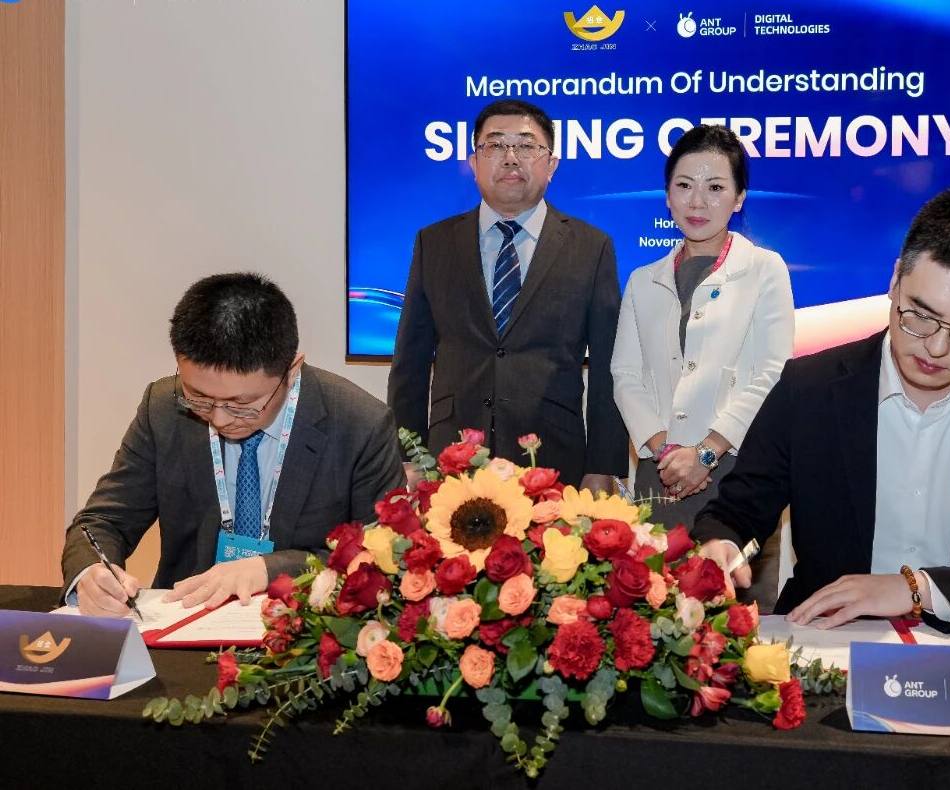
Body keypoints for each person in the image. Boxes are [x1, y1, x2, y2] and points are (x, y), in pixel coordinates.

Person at [695, 188, 950, 637]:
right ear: (895, 280)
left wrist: (919, 589)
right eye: (920, 316)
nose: (936, 347)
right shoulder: (807, 389)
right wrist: (722, 546)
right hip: (828, 639)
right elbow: (736, 515)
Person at [61, 273, 405, 617]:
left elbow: (382, 557)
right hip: (183, 623)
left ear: (291, 370)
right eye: (199, 397)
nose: (220, 418)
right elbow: (102, 521)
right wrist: (91, 573)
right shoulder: (163, 408)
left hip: (304, 630)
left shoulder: (360, 424)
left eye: (242, 404)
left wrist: (269, 568)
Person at [388, 99, 627, 491]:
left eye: (527, 146)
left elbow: (607, 367)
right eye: (496, 145)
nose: (511, 157)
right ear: (474, 162)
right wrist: (407, 457)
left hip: (553, 459)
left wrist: (602, 466)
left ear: (551, 164)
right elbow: (409, 363)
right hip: (453, 460)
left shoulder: (591, 247)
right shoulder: (434, 243)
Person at [611, 124, 794, 606]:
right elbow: (625, 376)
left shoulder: (764, 270)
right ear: (667, 196)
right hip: (661, 474)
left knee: (735, 619)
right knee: (653, 613)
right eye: (684, 185)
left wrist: (706, 453)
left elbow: (772, 373)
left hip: (736, 472)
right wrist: (665, 449)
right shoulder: (643, 280)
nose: (698, 202)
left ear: (739, 198)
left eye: (715, 188)